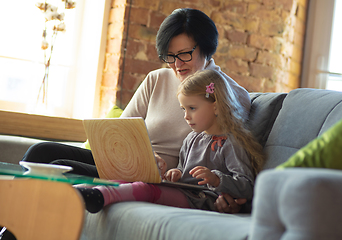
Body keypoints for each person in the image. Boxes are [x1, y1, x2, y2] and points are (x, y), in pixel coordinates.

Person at [21, 8, 251, 212]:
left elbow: (230, 151)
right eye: (170, 56)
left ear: (206, 48)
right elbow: (119, 130)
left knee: (59, 170)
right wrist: (142, 154)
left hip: (159, 176)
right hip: (125, 160)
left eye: (184, 54)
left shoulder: (230, 94)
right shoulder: (158, 78)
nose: (177, 64)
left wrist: (224, 192)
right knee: (40, 153)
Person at [76, 69, 264, 213]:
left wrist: (216, 179)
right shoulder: (192, 138)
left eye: (192, 108)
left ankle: (100, 196)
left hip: (200, 199)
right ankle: (81, 191)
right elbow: (183, 170)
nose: (186, 116)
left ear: (215, 106)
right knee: (130, 179)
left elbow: (246, 186)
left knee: (147, 189)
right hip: (183, 191)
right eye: (183, 109)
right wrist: (175, 173)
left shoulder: (232, 142)